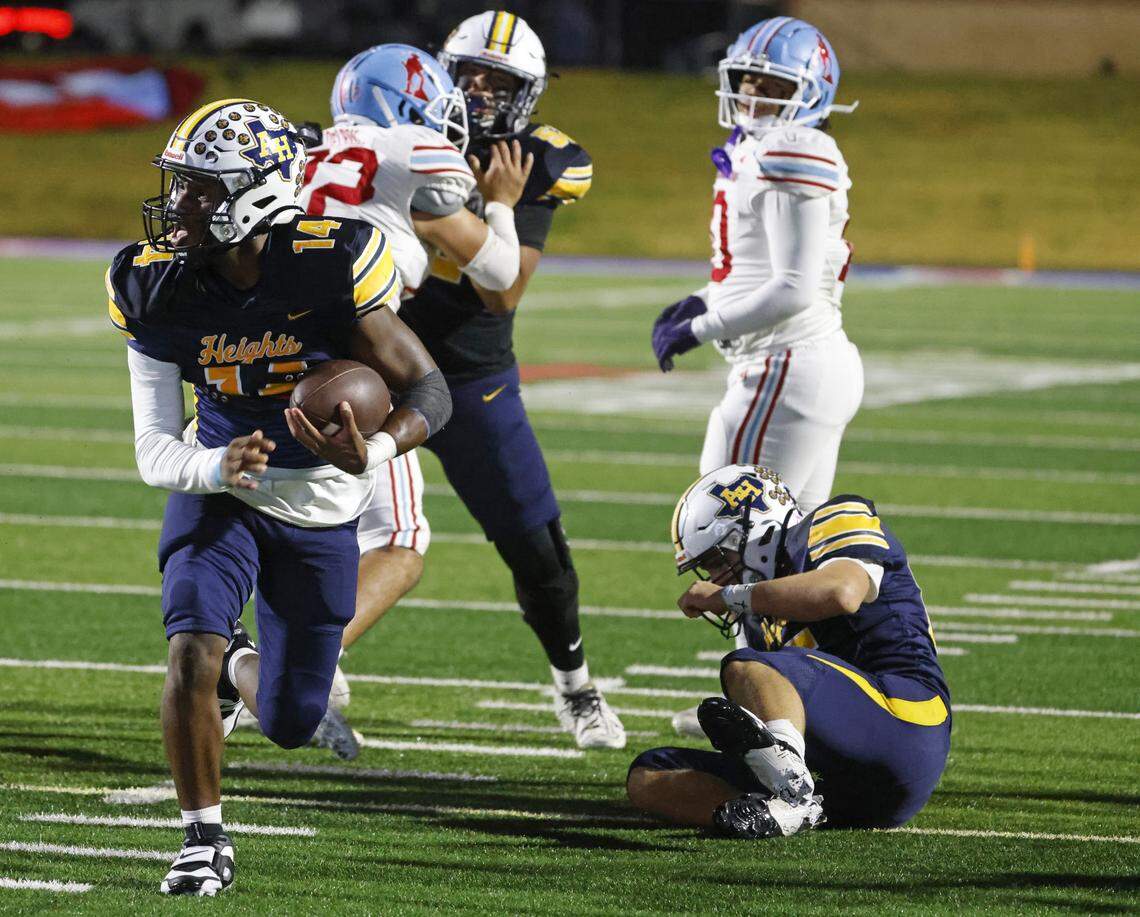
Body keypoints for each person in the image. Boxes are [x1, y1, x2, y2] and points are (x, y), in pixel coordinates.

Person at [106, 98, 450, 895]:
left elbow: (429, 387)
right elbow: (155, 445)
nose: (178, 203)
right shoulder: (158, 285)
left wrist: (380, 446)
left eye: (198, 188)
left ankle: (244, 671)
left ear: (255, 193)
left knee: (293, 719)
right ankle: (203, 838)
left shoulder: (332, 261)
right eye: (179, 184)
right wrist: (216, 466)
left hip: (321, 505)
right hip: (222, 490)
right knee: (191, 643)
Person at [397, 11, 625, 748]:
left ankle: (575, 685)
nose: (484, 91)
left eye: (503, 81)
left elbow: (501, 291)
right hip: (373, 364)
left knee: (538, 549)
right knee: (308, 520)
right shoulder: (399, 133)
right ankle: (271, 672)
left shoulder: (532, 160)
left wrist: (488, 201)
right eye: (472, 73)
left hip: (471, 378)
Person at [298, 43, 531, 723]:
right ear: (404, 108)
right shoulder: (406, 155)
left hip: (266, 357)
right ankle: (295, 661)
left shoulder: (299, 152)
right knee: (400, 540)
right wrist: (504, 203)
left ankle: (255, 655)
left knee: (293, 523)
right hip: (358, 366)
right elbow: (498, 273)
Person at [625, 464, 951, 838]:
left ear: (752, 530)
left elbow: (841, 592)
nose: (715, 578)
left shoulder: (831, 520)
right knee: (649, 775)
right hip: (842, 784)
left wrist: (729, 597)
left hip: (905, 721)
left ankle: (791, 791)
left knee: (747, 666)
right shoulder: (759, 614)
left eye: (717, 561)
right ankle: (777, 812)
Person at [651, 17, 863, 514]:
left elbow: (794, 287)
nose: (753, 95)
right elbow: (755, 262)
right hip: (800, 365)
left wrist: (701, 328)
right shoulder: (754, 150)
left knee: (725, 542)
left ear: (810, 94)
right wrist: (703, 298)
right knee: (785, 561)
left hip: (786, 363)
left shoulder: (793, 148)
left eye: (774, 86)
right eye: (748, 80)